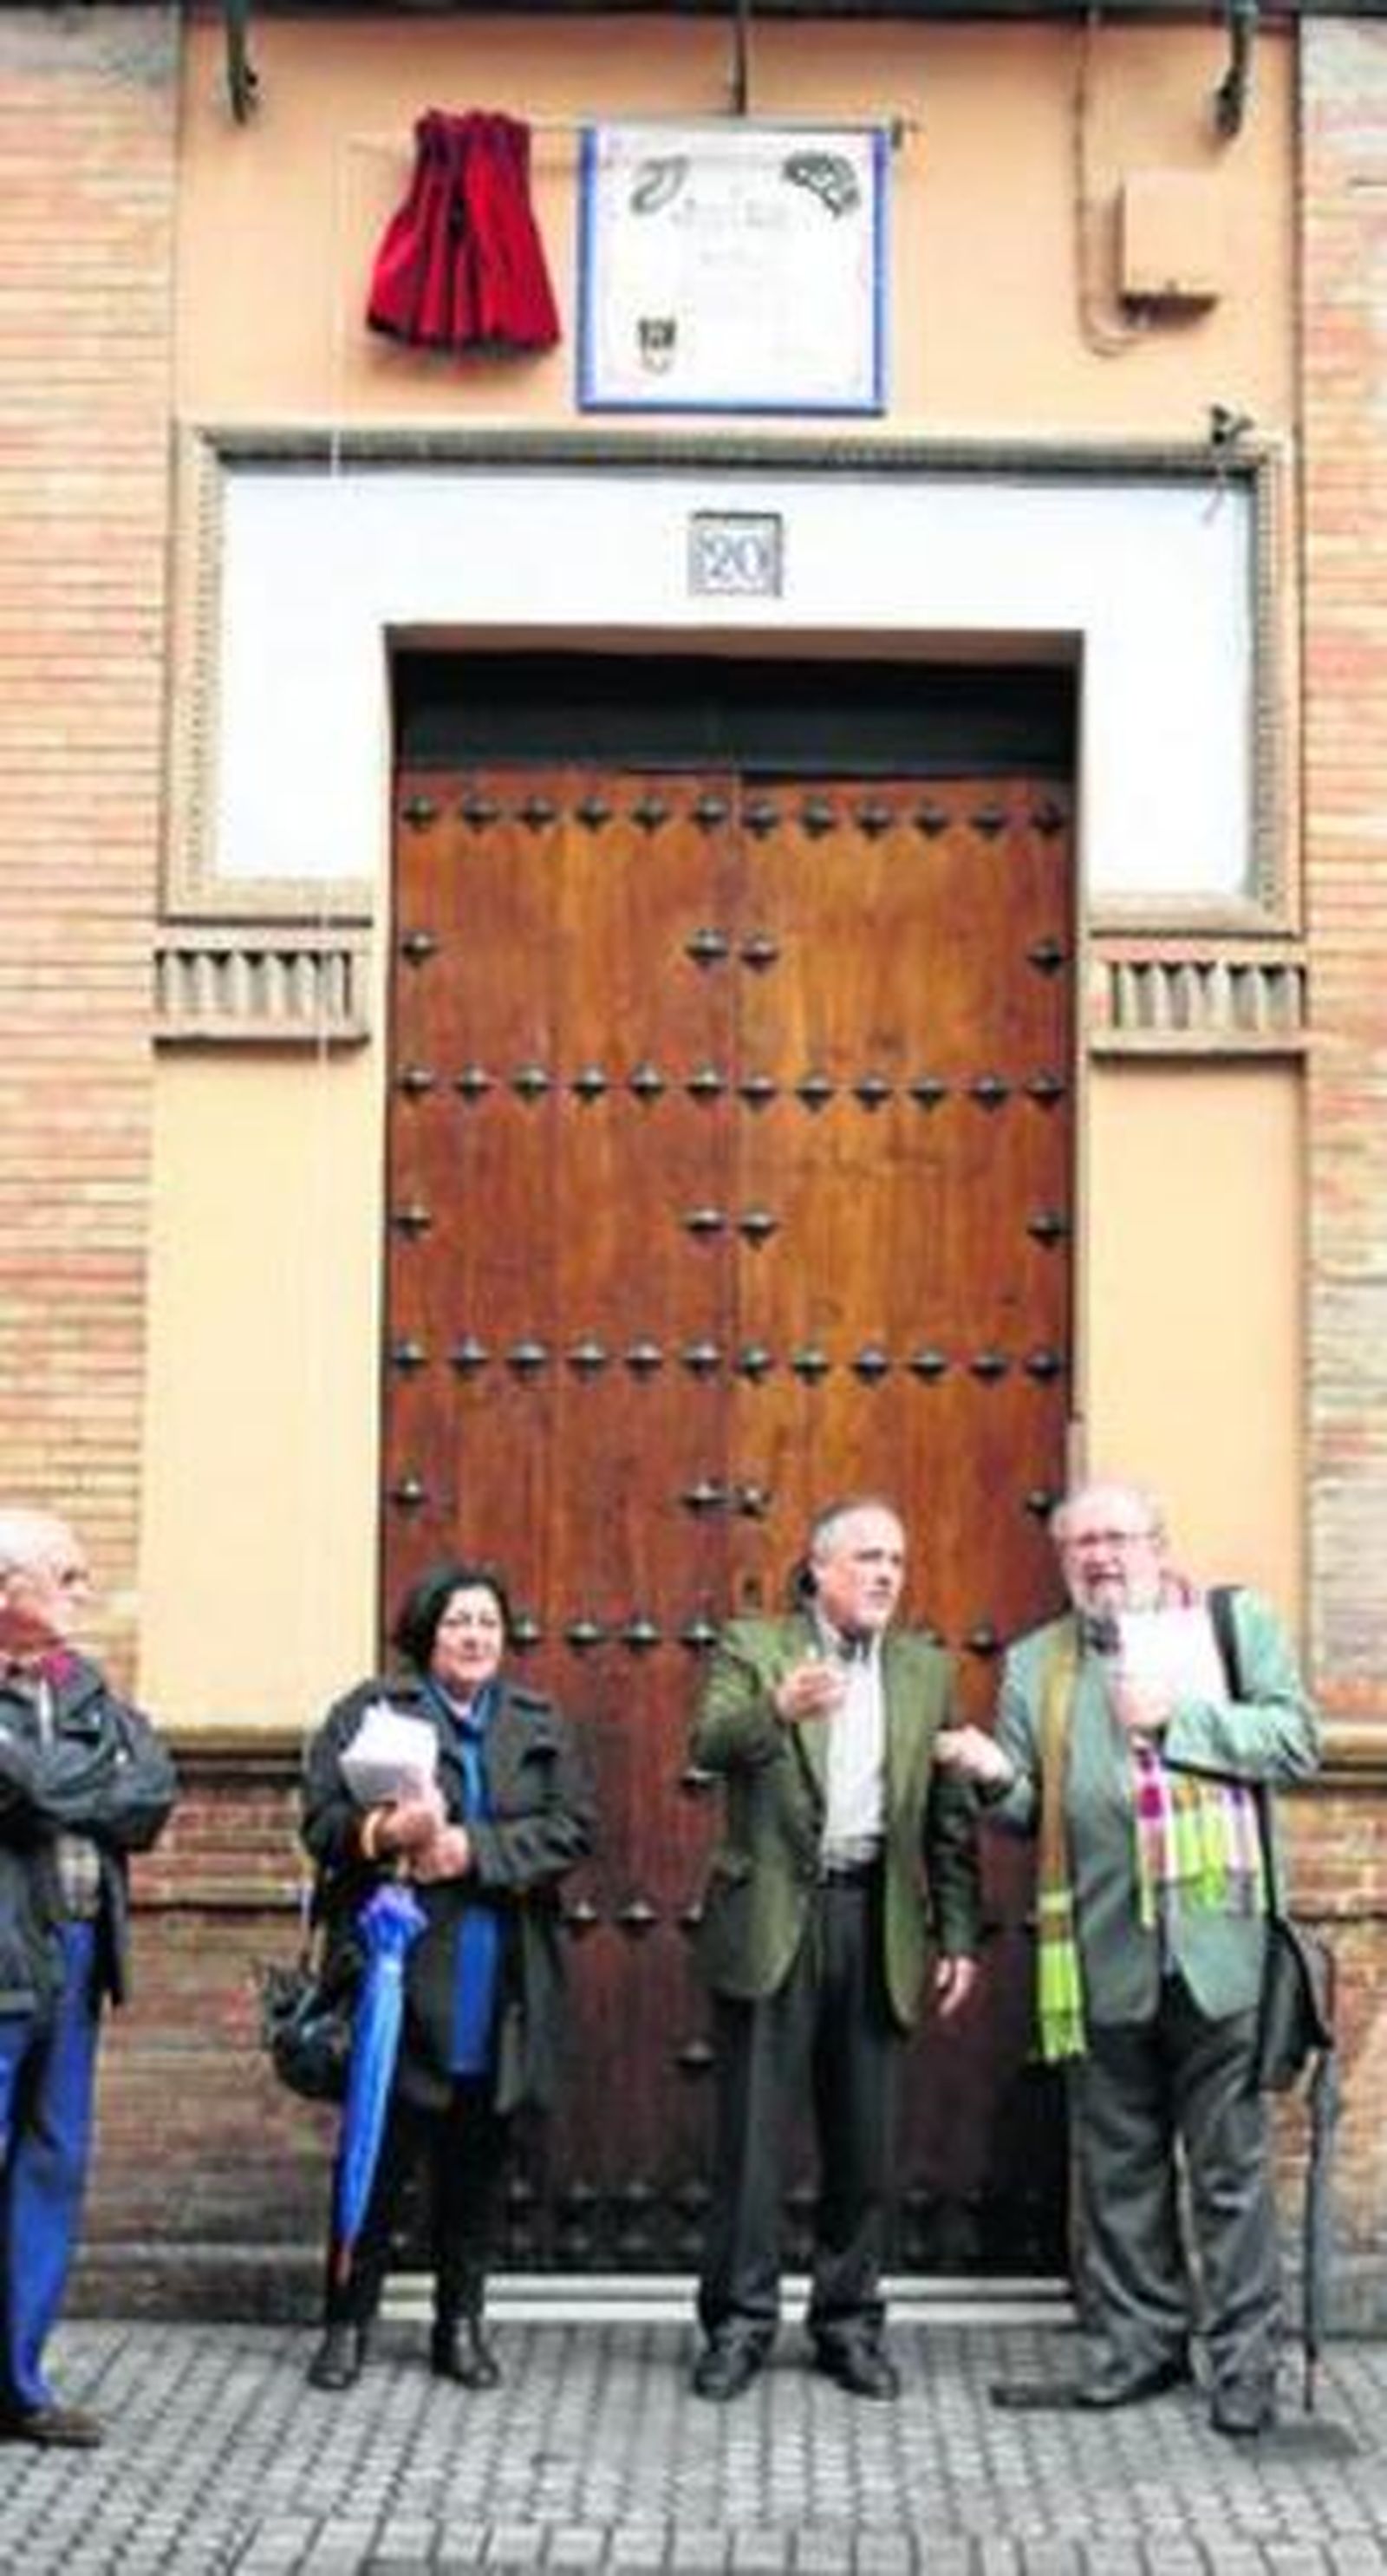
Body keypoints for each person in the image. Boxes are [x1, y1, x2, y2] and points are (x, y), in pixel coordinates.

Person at [936, 1478, 1319, 2437]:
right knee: (1119, 2172)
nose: (1100, 1557)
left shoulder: (1228, 1628)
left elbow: (1295, 1738)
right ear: (1063, 1561)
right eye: (1080, 1546)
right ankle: (1141, 2349)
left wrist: (1179, 1721)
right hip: (1101, 1952)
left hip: (1218, 1945)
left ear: (1157, 1541)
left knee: (1228, 2173)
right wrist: (993, 1779)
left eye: (1116, 1538)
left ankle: (1243, 2368)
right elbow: (1034, 1809)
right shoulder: (1038, 1663)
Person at [688, 1497, 980, 2403]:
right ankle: (737, 2326)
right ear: (817, 1569)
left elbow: (946, 1816)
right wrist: (774, 1710)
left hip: (875, 1917)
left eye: (896, 1558)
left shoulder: (925, 1668)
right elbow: (705, 1744)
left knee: (864, 2140)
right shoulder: (754, 1646)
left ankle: (847, 2324)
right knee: (751, 2142)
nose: (886, 1573)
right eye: (866, 1557)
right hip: (776, 1915)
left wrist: (959, 1931)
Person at [301, 1560, 595, 2393]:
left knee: (478, 2154)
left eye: (489, 1624)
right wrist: (387, 1828)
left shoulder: (539, 1719)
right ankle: (346, 2322)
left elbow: (574, 1827)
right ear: (427, 1632)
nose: (474, 1637)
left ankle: (458, 2325)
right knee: (377, 2152)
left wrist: (476, 1849)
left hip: (497, 1970)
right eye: (459, 1621)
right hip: (398, 1969)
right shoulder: (369, 1711)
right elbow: (321, 1822)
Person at [0, 1507, 178, 2448]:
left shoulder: (88, 1688)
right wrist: (74, 1783)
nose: (83, 1591)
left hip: (76, 1961)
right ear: (5, 1591)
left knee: (51, 2165)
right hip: (0, 1962)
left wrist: (52, 1783)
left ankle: (18, 2381)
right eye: (64, 1576)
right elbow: (17, 1789)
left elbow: (151, 1790)